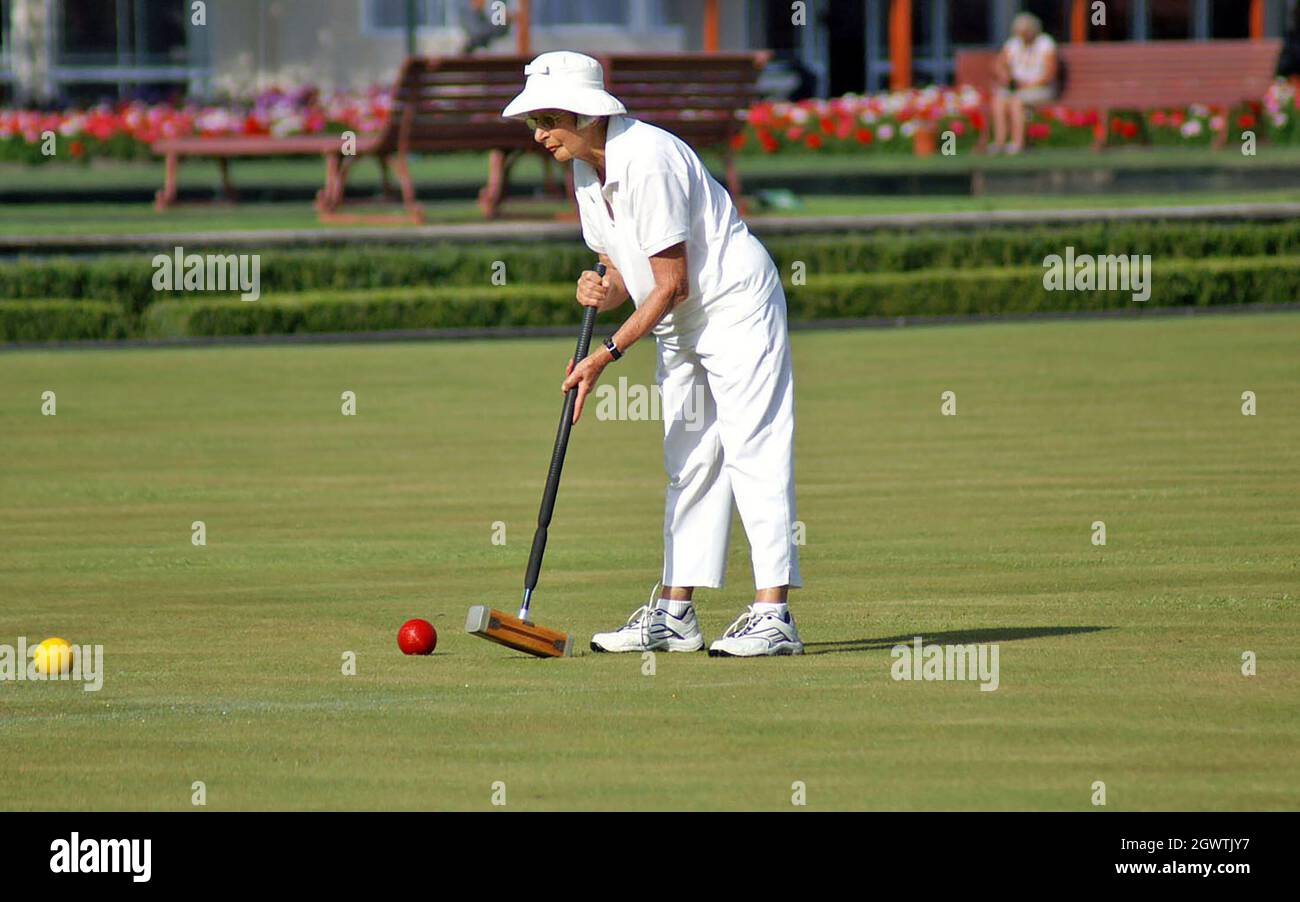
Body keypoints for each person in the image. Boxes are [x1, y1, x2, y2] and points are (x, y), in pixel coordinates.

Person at [500, 51, 804, 657]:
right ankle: (675, 614)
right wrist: (603, 289)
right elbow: (627, 272)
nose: (538, 135)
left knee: (752, 449)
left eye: (548, 119)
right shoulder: (587, 171)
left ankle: (775, 618)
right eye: (534, 122)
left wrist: (605, 354)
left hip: (734, 305)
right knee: (687, 461)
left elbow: (671, 283)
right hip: (678, 323)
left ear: (586, 115)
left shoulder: (650, 159)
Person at [990, 13, 1059, 155]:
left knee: (1016, 101)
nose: (1023, 36)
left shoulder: (1045, 43)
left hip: (1040, 89)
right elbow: (999, 63)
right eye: (1020, 33)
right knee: (999, 100)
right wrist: (1005, 75)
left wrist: (1027, 85)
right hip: (1018, 88)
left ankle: (1017, 143)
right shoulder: (1014, 43)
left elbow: (1049, 74)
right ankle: (1000, 142)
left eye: (1025, 32)